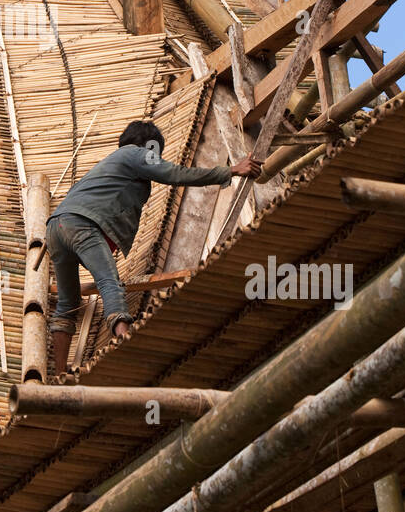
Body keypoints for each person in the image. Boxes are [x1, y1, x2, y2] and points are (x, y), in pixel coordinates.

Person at [46, 119, 261, 375]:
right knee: (110, 284)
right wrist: (231, 171)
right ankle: (123, 349)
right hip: (83, 225)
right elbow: (176, 174)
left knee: (67, 304)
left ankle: (59, 374)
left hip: (56, 228)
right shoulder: (136, 154)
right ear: (149, 146)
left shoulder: (110, 165)